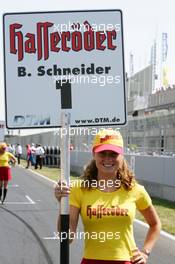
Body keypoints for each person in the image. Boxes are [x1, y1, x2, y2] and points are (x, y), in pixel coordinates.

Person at [55, 128, 161, 264]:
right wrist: (62, 205)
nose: (108, 159)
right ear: (94, 154)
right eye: (102, 153)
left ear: (122, 156)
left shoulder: (135, 190)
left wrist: (145, 252)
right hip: (91, 261)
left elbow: (155, 224)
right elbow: (66, 237)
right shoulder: (78, 189)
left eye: (113, 154)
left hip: (127, 261)